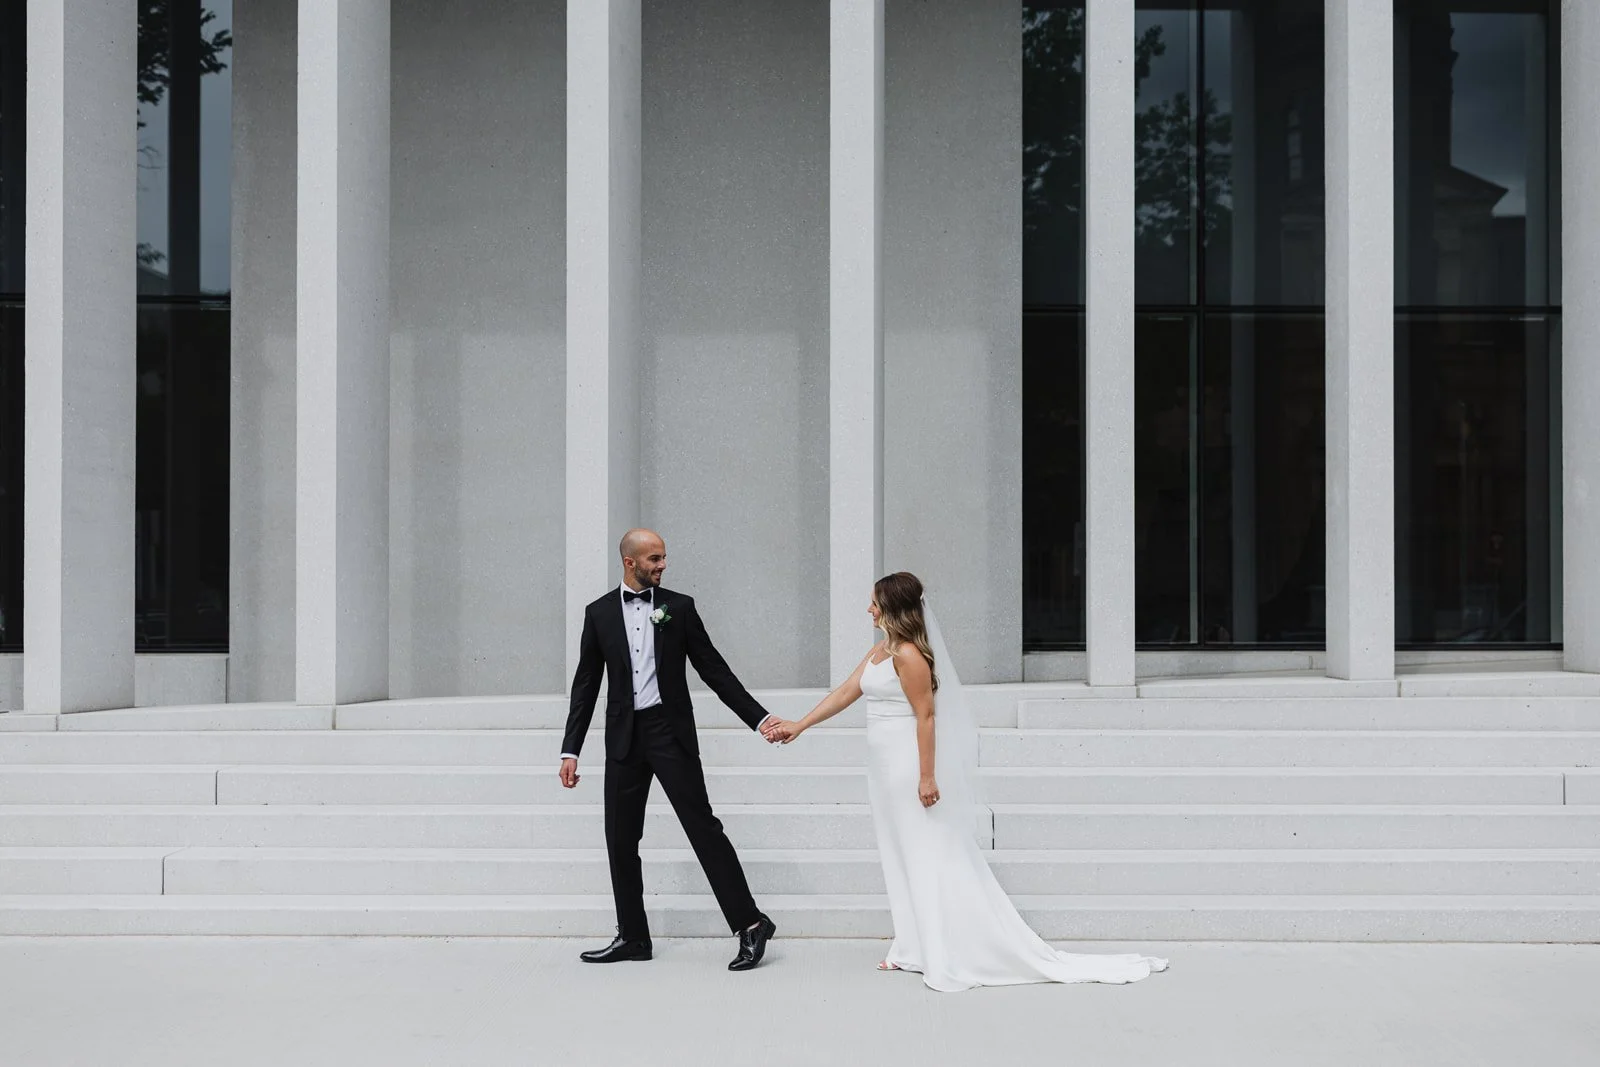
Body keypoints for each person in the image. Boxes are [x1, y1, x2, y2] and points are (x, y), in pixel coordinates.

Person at [762, 571, 1168, 992]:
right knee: (898, 853)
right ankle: (912, 946)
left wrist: (926, 776)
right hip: (880, 770)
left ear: (894, 609)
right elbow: (847, 691)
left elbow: (926, 717)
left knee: (926, 853)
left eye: (875, 604)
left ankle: (941, 950)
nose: (869, 609)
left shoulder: (910, 658)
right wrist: (801, 724)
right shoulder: (880, 651)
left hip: (906, 766)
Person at [561, 528, 779, 971]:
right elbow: (586, 686)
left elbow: (714, 668)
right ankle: (633, 937)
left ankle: (751, 924)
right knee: (620, 839)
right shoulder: (599, 613)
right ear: (630, 562)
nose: (662, 566)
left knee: (703, 828)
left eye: (663, 559)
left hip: (669, 732)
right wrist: (571, 749)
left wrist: (759, 718)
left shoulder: (679, 608)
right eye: (654, 559)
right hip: (624, 736)